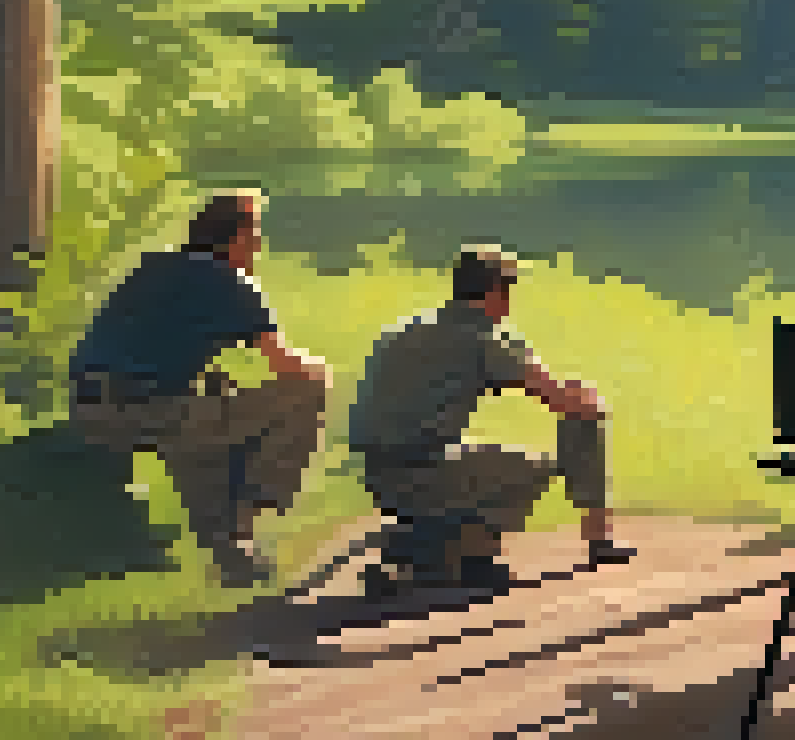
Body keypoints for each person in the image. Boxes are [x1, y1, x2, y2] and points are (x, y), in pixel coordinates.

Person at [67, 190, 332, 589]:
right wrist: (320, 367)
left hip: (91, 409)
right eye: (256, 233)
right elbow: (286, 367)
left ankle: (234, 561)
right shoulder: (229, 279)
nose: (259, 245)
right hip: (153, 409)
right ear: (236, 236)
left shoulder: (155, 267)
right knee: (308, 388)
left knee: (211, 409)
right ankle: (248, 513)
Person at [347, 246, 633, 596]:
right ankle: (433, 553)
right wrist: (593, 402)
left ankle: (438, 549)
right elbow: (562, 401)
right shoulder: (484, 336)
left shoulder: (411, 327)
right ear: (497, 291)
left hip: (377, 474)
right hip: (422, 472)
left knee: (485, 459)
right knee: (532, 468)